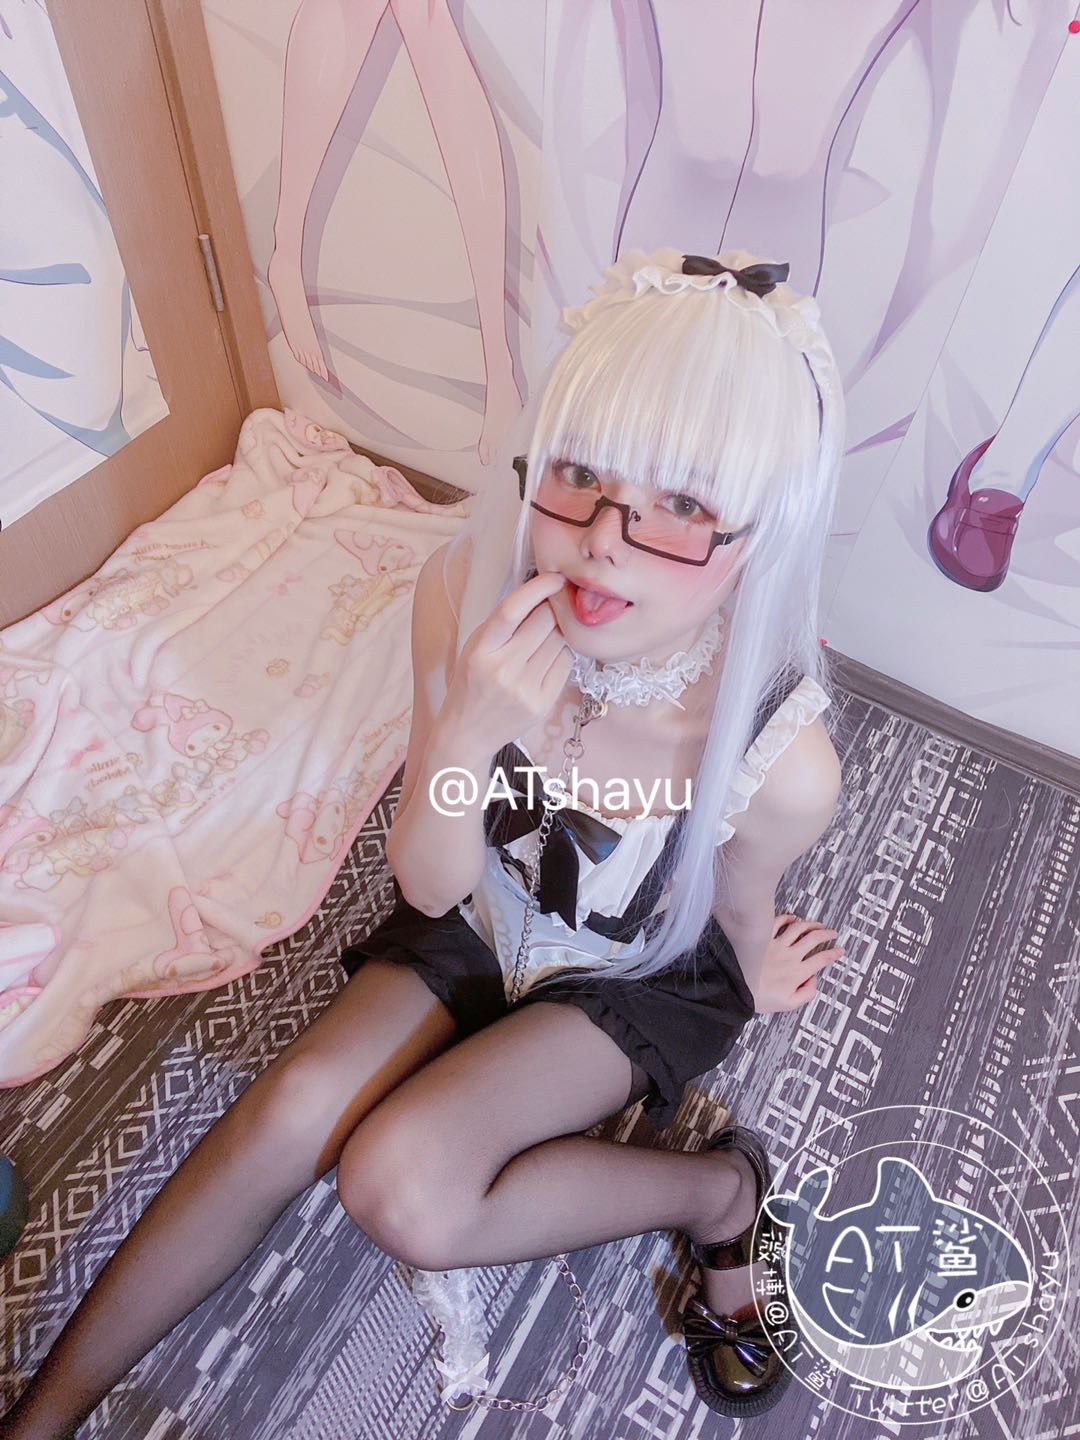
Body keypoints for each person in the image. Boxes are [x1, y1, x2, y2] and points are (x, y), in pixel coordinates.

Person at [0, 245, 847, 1433]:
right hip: (476, 907)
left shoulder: (783, 757)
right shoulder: (463, 592)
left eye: (684, 506)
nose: (605, 539)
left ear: (757, 535)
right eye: (581, 474)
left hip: (632, 969)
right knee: (294, 1105)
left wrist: (752, 969)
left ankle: (721, 1194)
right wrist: (470, 729)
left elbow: (739, 896)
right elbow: (429, 879)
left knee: (402, 1183)